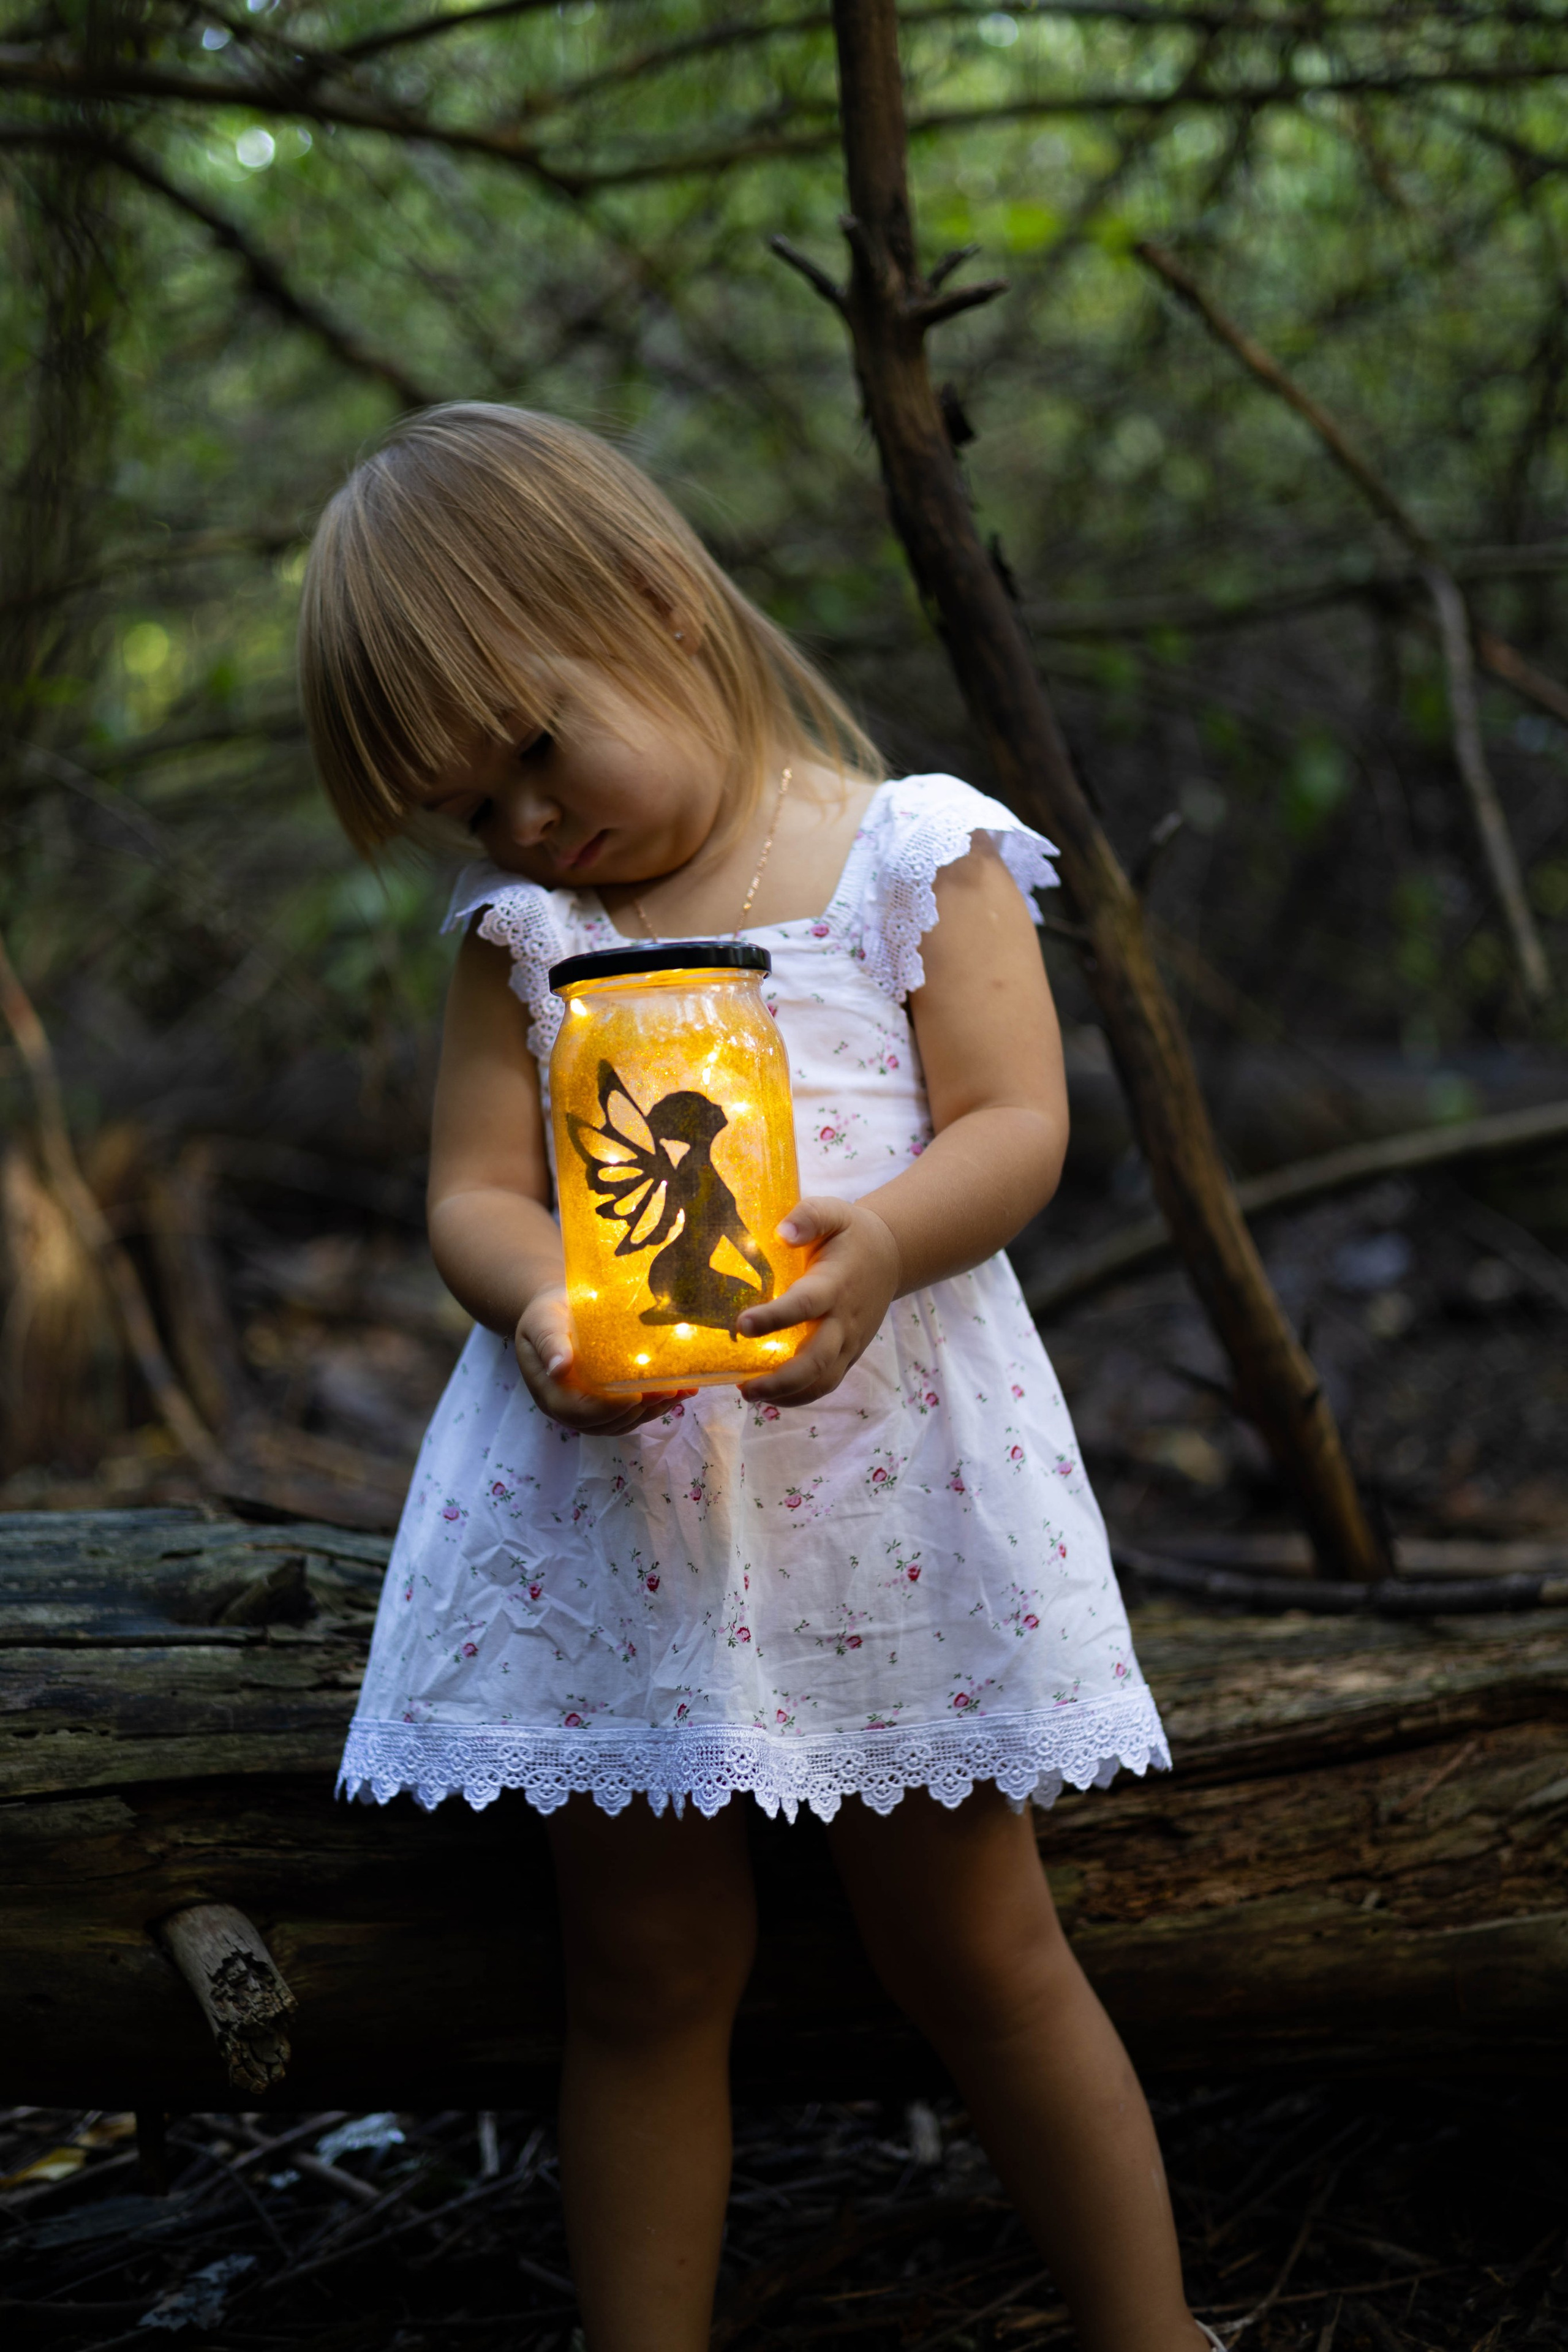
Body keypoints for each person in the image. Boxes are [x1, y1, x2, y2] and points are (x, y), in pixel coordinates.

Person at [299, 404, 1216, 2352]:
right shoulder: (527, 936)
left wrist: (881, 1241)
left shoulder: (908, 850)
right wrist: (539, 1307)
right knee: (640, 1970)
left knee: (980, 1945)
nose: (529, 828)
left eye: (538, 754)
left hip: (883, 1491)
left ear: (654, 599)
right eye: (479, 809)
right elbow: (472, 1188)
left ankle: (1154, 2333)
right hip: (615, 1514)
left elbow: (1017, 1122)